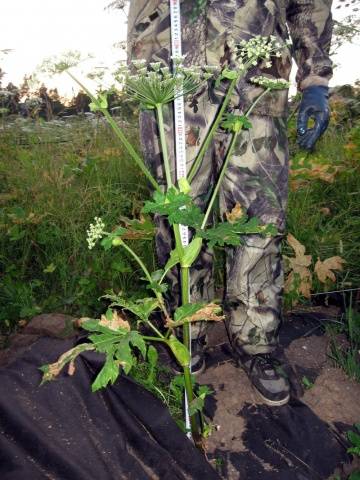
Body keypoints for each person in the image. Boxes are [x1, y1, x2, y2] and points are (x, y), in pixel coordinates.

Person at [127, 0, 333, 406]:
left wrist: (316, 80)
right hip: (168, 81)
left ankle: (255, 343)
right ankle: (185, 330)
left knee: (260, 218)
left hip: (256, 81)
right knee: (177, 216)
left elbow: (309, 5)